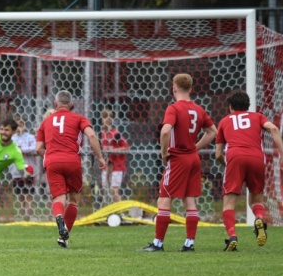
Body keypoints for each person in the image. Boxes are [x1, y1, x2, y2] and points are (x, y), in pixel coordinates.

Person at [141, 73, 216, 252]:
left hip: (178, 159)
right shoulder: (199, 109)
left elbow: (165, 131)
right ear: (190, 89)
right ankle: (189, 243)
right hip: (193, 159)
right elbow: (213, 131)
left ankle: (158, 243)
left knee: (164, 199)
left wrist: (164, 152)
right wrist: (195, 147)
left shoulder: (173, 108)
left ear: (174, 88)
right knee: (189, 200)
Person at [213, 89, 283, 251]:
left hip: (235, 157)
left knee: (228, 203)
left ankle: (232, 236)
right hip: (257, 157)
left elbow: (217, 154)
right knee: (256, 199)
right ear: (248, 105)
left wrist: (226, 166)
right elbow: (273, 129)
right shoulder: (258, 116)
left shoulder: (224, 121)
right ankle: (259, 218)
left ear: (230, 106)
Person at [36, 91, 107, 248]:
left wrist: (49, 157)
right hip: (72, 161)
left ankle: (59, 218)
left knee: (58, 199)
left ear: (55, 104)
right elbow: (92, 136)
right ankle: (64, 236)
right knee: (73, 200)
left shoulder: (46, 122)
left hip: (53, 162)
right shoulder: (79, 118)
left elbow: (39, 147)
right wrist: (100, 157)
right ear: (72, 105)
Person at [9, 118, 38, 219]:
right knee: (20, 194)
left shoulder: (30, 137)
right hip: (16, 170)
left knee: (28, 193)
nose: (18, 128)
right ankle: (22, 213)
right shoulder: (12, 138)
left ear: (24, 126)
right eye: (16, 126)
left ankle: (27, 214)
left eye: (21, 125)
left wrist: (22, 150)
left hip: (29, 169)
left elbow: (34, 148)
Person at [99, 109, 130, 203]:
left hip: (117, 165)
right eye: (103, 117)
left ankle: (119, 211)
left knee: (114, 190)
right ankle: (109, 211)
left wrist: (113, 150)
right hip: (106, 166)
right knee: (106, 190)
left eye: (106, 117)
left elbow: (126, 148)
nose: (105, 120)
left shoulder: (116, 134)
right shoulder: (103, 133)